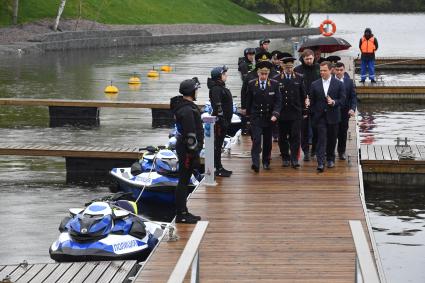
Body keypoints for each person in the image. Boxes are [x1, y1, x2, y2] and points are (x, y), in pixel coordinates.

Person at [170, 77, 203, 223]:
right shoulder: (187, 110)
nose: (197, 92)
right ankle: (181, 214)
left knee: (183, 179)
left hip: (183, 146)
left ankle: (183, 211)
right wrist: (194, 153)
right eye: (196, 90)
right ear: (191, 91)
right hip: (186, 149)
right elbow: (190, 134)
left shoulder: (183, 106)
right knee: (183, 180)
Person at [245, 61, 282, 172]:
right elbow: (249, 101)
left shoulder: (274, 84)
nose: (263, 76)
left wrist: (275, 114)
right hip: (256, 116)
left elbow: (278, 101)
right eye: (262, 74)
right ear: (258, 73)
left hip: (269, 117)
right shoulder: (252, 84)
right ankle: (255, 163)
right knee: (256, 140)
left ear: (268, 74)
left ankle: (266, 161)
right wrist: (248, 117)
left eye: (266, 74)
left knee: (267, 141)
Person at [310, 61, 346, 172]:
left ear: (331, 70)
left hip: (333, 115)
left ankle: (331, 159)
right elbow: (312, 101)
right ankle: (320, 163)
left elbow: (343, 100)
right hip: (320, 116)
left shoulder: (339, 84)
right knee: (321, 139)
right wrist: (309, 104)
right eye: (321, 70)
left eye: (324, 70)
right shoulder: (314, 84)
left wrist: (334, 102)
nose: (322, 72)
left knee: (332, 139)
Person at [276, 55, 308, 168]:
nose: (289, 69)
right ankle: (285, 157)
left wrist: (304, 111)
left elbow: (303, 95)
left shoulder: (299, 78)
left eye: (290, 67)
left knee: (295, 137)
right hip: (282, 113)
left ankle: (294, 159)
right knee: (282, 137)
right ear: (283, 67)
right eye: (287, 67)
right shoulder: (277, 78)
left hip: (295, 112)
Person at [294, 49, 320, 162]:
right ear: (303, 59)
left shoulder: (319, 68)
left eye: (310, 58)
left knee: (316, 128)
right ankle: (306, 151)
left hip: (316, 102)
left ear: (314, 57)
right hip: (302, 103)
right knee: (303, 130)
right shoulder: (297, 70)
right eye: (306, 59)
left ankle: (314, 148)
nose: (309, 61)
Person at [208, 65, 233, 177]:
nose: (226, 75)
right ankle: (217, 168)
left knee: (219, 144)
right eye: (224, 74)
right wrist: (222, 120)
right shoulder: (216, 89)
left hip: (224, 121)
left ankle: (219, 166)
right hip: (219, 122)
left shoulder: (220, 87)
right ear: (219, 76)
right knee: (217, 145)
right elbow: (218, 106)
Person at [334, 62, 357, 160]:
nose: (339, 72)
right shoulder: (330, 81)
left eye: (341, 70)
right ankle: (330, 151)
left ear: (344, 70)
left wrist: (352, 108)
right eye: (337, 70)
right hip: (333, 111)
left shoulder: (349, 82)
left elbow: (353, 97)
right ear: (334, 70)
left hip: (344, 111)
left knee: (343, 133)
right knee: (332, 132)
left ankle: (341, 151)